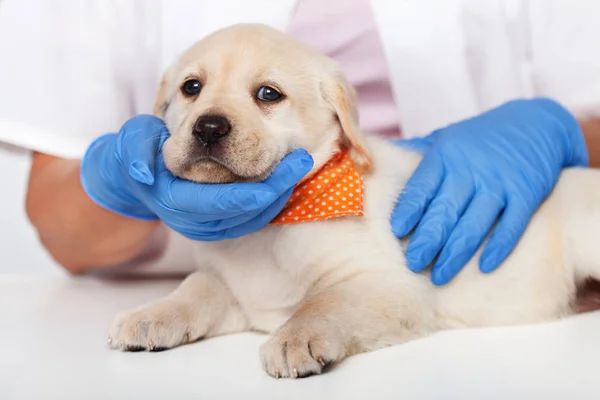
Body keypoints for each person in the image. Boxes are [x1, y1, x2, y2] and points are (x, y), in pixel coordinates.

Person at [1, 0, 599, 285]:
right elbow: (61, 231)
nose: (213, 120)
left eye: (267, 94)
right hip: (199, 284)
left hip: (487, 264)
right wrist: (122, 186)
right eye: (191, 88)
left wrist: (558, 130)